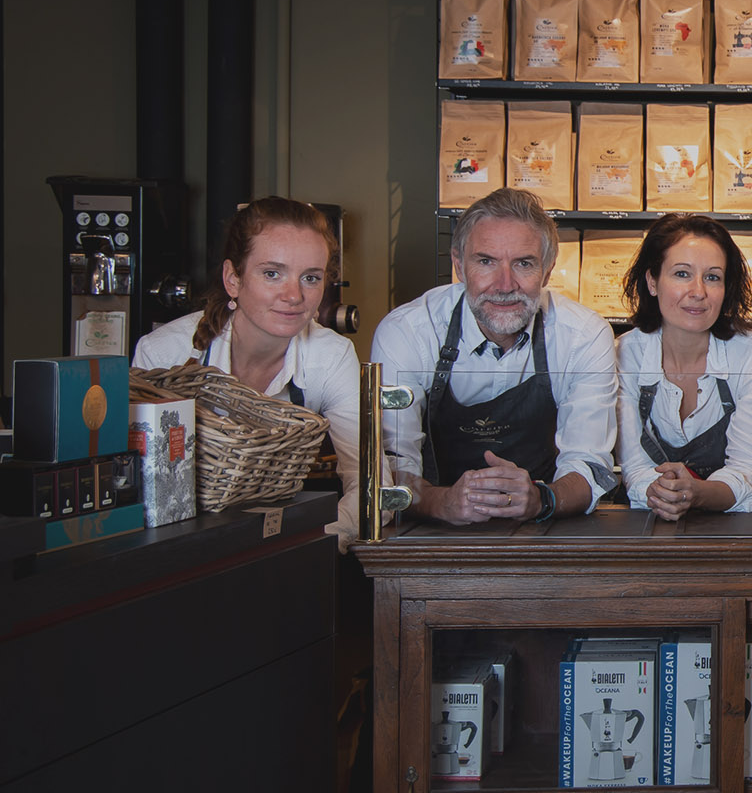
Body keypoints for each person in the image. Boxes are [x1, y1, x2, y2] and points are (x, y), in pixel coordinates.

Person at [371, 187, 617, 525]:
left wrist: (542, 498)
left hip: (544, 528)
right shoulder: (408, 331)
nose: (504, 284)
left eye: (524, 264)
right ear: (458, 265)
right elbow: (390, 467)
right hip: (431, 530)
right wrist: (442, 503)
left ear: (547, 271)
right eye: (486, 261)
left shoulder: (583, 335)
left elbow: (590, 465)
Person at [134, 197, 362, 544]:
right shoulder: (164, 352)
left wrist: (318, 541)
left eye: (311, 278)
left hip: (283, 545)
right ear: (233, 279)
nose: (294, 295)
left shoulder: (332, 356)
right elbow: (141, 486)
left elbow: (371, 482)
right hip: (179, 547)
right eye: (272, 273)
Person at [615, 214, 752, 519]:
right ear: (652, 281)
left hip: (731, 531)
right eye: (681, 274)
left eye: (713, 277)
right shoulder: (625, 354)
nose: (698, 292)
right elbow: (635, 468)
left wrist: (697, 493)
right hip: (645, 525)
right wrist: (660, 493)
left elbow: (749, 470)